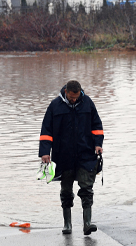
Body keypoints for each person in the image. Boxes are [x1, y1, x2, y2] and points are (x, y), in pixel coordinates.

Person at [39, 80, 104, 235]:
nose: (74, 99)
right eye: (71, 97)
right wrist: (45, 152)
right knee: (66, 190)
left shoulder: (87, 103)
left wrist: (98, 144)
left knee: (87, 188)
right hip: (64, 154)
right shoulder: (55, 105)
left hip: (86, 153)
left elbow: (97, 126)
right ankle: (67, 225)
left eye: (76, 97)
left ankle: (87, 223)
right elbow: (46, 130)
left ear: (80, 92)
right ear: (66, 92)